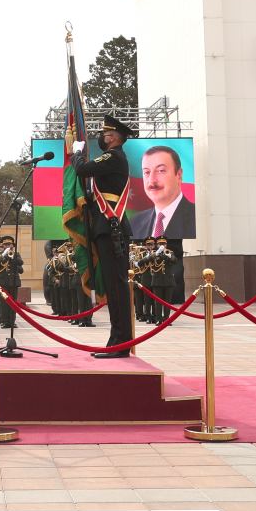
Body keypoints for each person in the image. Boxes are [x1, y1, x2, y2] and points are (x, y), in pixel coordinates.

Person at [71, 113, 137, 359]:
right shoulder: (114, 158)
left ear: (113, 137)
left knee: (117, 287)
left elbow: (83, 169)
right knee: (113, 286)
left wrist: (76, 152)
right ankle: (116, 340)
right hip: (107, 228)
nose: (101, 138)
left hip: (111, 229)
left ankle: (120, 343)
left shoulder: (114, 156)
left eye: (103, 134)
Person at [128, 144, 196, 240]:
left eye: (160, 171)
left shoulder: (197, 218)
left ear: (179, 175)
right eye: (147, 172)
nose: (152, 180)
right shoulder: (135, 222)